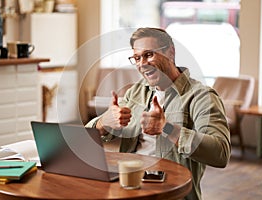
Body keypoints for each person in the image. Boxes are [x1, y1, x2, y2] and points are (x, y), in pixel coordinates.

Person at [85, 27, 231, 200]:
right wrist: (104, 121)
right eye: (137, 58)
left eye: (149, 55)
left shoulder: (202, 96)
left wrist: (168, 128)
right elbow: (85, 137)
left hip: (171, 194)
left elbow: (221, 153)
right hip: (129, 188)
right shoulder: (136, 92)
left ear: (170, 52)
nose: (142, 64)